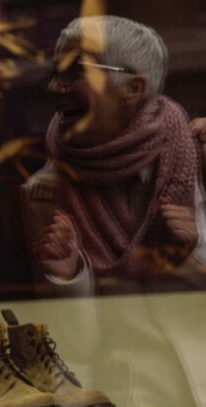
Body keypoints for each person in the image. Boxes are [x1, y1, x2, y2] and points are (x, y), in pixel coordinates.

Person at [24, 15, 206, 292]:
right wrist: (68, 278)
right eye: (54, 72)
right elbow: (68, 333)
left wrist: (192, 256)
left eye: (74, 70)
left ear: (132, 89)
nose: (53, 87)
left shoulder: (199, 156)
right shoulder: (42, 194)